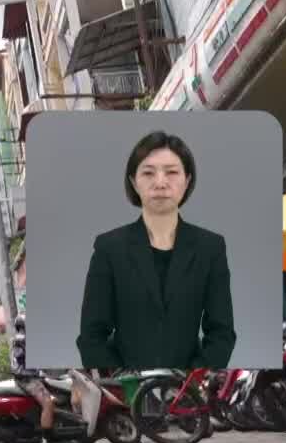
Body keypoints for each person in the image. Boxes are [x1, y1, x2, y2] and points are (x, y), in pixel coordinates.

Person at [76, 130, 236, 372]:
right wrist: (121, 384)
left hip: (189, 394)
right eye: (148, 173)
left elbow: (221, 331)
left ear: (188, 180)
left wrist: (193, 383)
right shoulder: (109, 248)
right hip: (125, 395)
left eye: (172, 172)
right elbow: (91, 335)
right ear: (133, 181)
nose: (160, 183)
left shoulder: (210, 247)